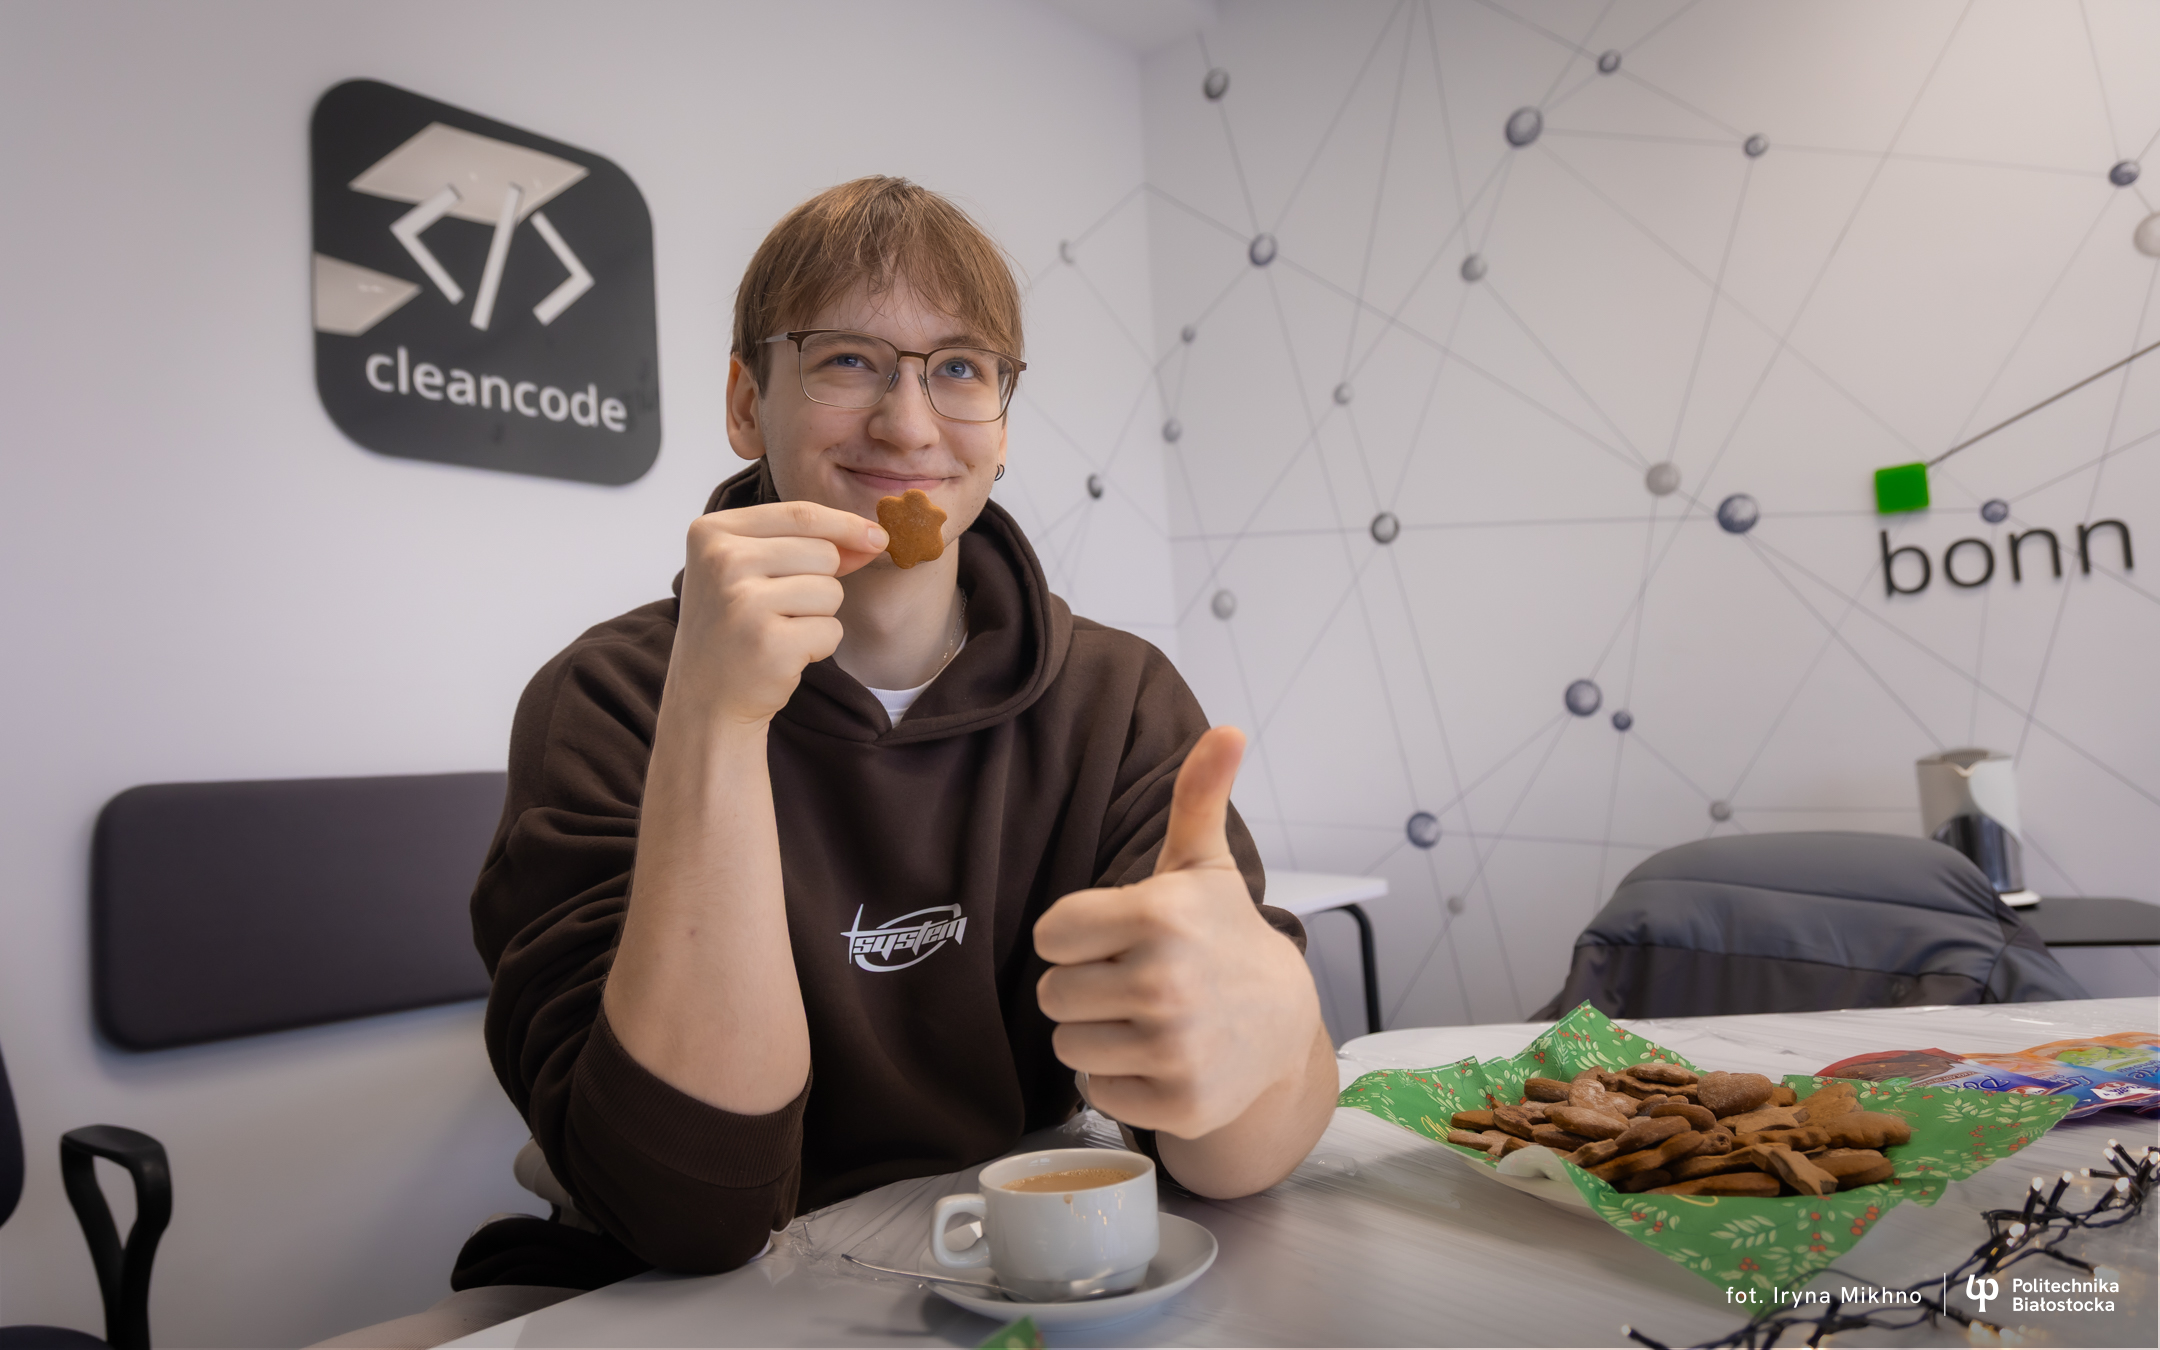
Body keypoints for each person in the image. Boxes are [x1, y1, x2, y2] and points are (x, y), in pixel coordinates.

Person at [459, 177, 1337, 1289]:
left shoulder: (1115, 698)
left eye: (960, 368)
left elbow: (1221, 1160)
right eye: (846, 359)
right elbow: (690, 1211)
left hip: (1001, 1256)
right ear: (746, 403)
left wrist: (1276, 1031)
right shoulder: (610, 697)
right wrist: (716, 722)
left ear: (1003, 426)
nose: (910, 424)